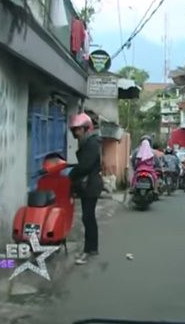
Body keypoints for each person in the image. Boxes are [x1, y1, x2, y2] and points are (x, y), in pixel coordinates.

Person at [66, 112, 103, 265]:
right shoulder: (87, 142)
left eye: (78, 129)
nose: (76, 132)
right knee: (88, 217)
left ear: (86, 128)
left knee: (88, 217)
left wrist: (71, 173)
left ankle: (89, 250)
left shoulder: (91, 143)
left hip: (91, 185)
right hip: (89, 184)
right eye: (74, 129)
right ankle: (91, 248)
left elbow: (85, 166)